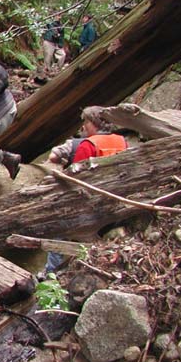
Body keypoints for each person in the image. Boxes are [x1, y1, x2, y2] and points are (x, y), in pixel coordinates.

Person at [41, 106, 129, 276]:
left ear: (93, 123)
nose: (84, 126)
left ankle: (51, 273)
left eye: (86, 122)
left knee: (58, 229)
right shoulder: (121, 141)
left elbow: (76, 179)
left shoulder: (88, 145)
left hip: (90, 202)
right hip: (116, 199)